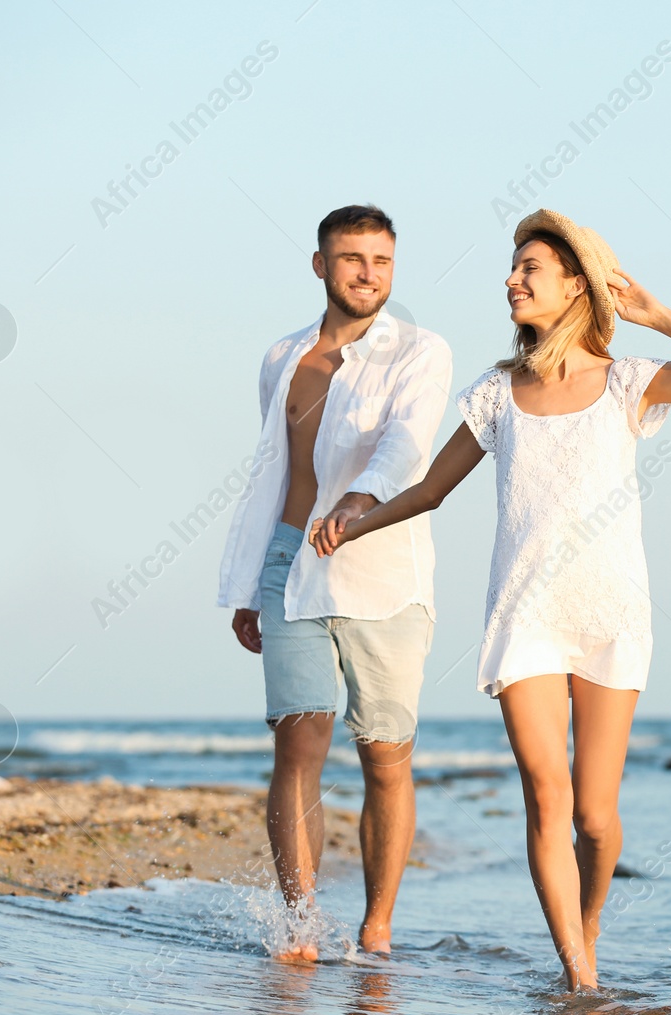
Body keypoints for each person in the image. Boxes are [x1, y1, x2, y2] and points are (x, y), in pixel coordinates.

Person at [310, 208, 671, 989]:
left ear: (575, 286)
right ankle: (579, 975)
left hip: (611, 615)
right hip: (527, 618)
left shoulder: (626, 381)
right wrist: (357, 516)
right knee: (547, 801)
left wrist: (655, 316)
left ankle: (587, 927)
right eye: (513, 268)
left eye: (530, 269)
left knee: (593, 816)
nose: (512, 280)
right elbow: (430, 490)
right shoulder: (496, 392)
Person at [217, 204, 452, 960]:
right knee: (298, 741)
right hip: (291, 562)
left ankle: (377, 927)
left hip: (380, 568)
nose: (368, 274)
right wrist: (254, 579)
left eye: (382, 261)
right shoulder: (282, 356)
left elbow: (408, 441)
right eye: (352, 258)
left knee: (385, 753)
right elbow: (274, 472)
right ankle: (301, 924)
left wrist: (363, 497)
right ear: (321, 265)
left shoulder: (421, 350)